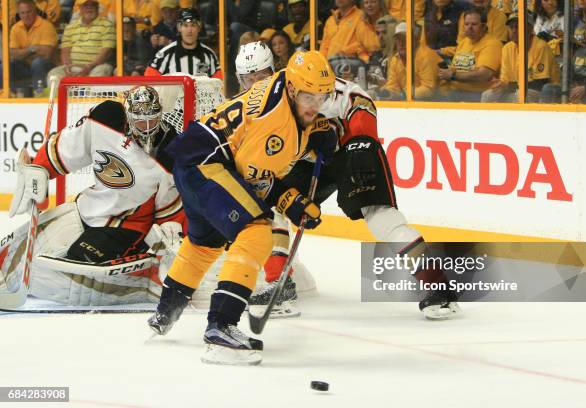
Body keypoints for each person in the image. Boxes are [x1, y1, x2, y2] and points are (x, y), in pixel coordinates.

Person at [238, 40, 461, 321]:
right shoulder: (258, 106)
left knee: (382, 219)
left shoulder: (307, 81)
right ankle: (280, 285)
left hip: (351, 152)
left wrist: (357, 139)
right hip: (308, 160)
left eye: (261, 75)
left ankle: (439, 289)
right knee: (270, 205)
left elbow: (359, 100)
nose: (256, 83)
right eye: (249, 78)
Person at [147, 51, 337, 364]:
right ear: (292, 89)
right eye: (308, 97)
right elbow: (254, 176)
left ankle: (165, 311)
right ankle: (221, 327)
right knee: (257, 231)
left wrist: (311, 131)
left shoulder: (283, 86)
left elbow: (261, 153)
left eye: (322, 97)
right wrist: (292, 202)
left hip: (191, 160)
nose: (315, 106)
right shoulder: (276, 121)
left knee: (204, 244)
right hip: (207, 165)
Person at [6, 86, 186, 306]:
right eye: (139, 121)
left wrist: (169, 233)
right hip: (86, 209)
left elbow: (171, 209)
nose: (147, 128)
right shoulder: (106, 117)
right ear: (128, 115)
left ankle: (143, 282)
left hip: (125, 226)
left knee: (69, 273)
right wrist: (40, 168)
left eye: (152, 120)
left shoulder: (171, 150)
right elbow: (68, 147)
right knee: (13, 252)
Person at [481, 12, 559, 102]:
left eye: (518, 27)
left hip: (543, 93)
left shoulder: (541, 46)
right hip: (515, 89)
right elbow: (505, 79)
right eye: (511, 27)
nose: (514, 30)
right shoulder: (507, 48)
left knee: (519, 96)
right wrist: (499, 84)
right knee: (487, 95)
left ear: (530, 29)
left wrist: (508, 86)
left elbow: (540, 83)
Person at [438, 7, 503, 102]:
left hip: (476, 95)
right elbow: (455, 68)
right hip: (455, 91)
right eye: (466, 24)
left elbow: (483, 75)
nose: (469, 27)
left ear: (484, 27)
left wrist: (452, 76)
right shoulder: (464, 42)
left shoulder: (493, 44)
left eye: (474, 24)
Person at [46, 0, 115, 84]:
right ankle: (60, 97)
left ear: (97, 8)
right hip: (73, 66)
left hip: (96, 66)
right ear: (80, 9)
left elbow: (106, 52)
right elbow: (65, 51)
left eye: (92, 5)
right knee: (53, 75)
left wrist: (89, 67)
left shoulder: (107, 25)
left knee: (100, 72)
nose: (89, 8)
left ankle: (88, 97)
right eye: (86, 5)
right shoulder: (70, 27)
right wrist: (67, 67)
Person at [145, 7, 223, 79]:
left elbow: (218, 85)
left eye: (193, 25)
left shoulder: (209, 55)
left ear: (199, 28)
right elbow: (150, 81)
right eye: (185, 25)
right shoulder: (164, 55)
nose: (189, 30)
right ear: (179, 28)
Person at [5, 0, 57, 93]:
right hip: (25, 66)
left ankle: (39, 95)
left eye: (29, 12)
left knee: (37, 63)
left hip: (46, 66)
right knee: (5, 65)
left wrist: (22, 53)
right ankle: (9, 95)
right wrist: (32, 49)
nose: (26, 15)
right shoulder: (15, 28)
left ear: (35, 11)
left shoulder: (47, 26)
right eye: (22, 13)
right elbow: (12, 54)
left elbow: (46, 54)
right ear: (19, 14)